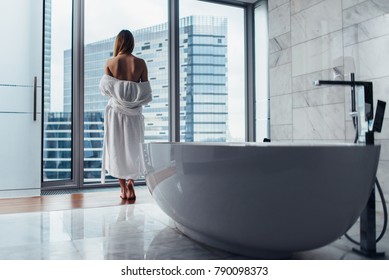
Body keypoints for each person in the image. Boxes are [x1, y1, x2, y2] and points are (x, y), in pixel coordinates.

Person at [99, 29, 152, 200]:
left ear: (118, 43)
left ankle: (123, 189)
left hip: (116, 114)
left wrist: (118, 90)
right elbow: (145, 92)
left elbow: (105, 89)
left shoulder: (110, 63)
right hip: (134, 114)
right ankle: (131, 183)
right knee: (133, 147)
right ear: (131, 43)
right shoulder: (141, 63)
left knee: (117, 148)